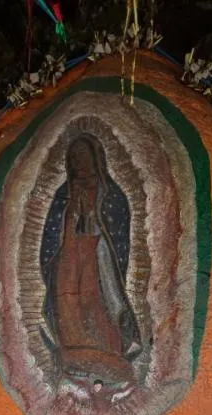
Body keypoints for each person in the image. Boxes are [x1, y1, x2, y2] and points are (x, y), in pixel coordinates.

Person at [40, 134, 142, 386]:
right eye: (74, 159)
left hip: (98, 255)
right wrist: (71, 216)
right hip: (69, 256)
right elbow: (51, 233)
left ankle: (108, 353)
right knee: (68, 305)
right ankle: (73, 354)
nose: (79, 163)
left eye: (83, 157)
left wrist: (93, 217)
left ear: (96, 159)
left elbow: (117, 224)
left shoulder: (110, 193)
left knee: (97, 302)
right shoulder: (64, 193)